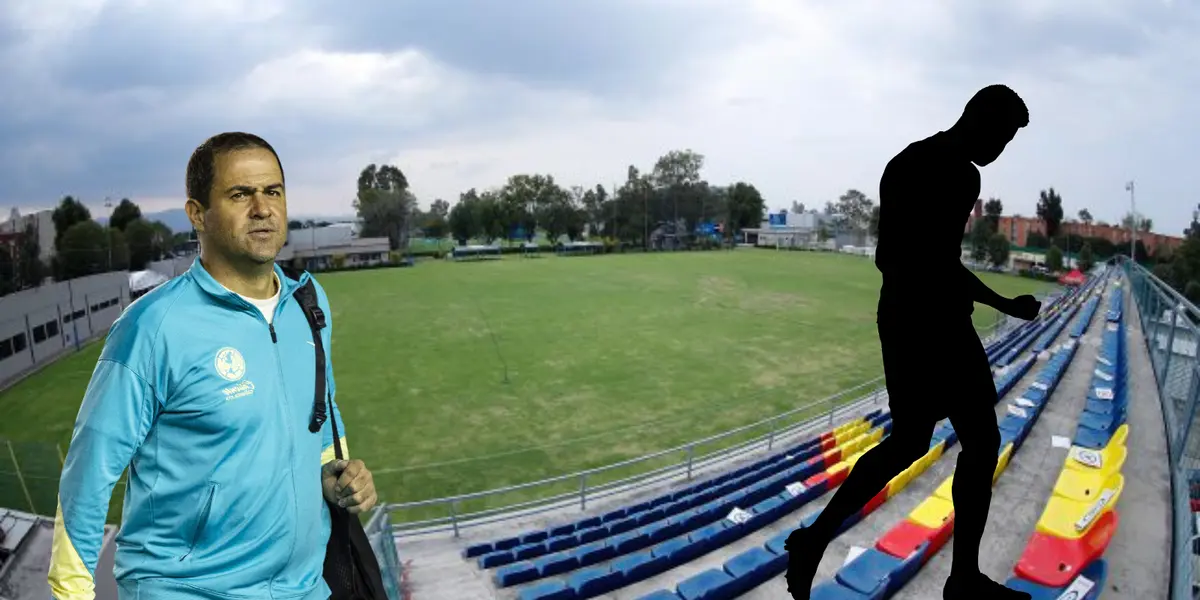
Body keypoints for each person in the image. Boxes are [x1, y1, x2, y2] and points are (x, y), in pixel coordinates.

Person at [48, 132, 378, 599]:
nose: (262, 208)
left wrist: (335, 478)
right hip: (189, 590)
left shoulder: (309, 303)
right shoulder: (152, 327)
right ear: (197, 214)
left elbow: (318, 421)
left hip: (303, 588)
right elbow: (86, 478)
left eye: (273, 191)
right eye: (240, 194)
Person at [784, 85, 1041, 599]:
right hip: (934, 322)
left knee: (910, 441)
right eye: (1002, 136)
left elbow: (908, 259)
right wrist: (1004, 304)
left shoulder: (910, 160)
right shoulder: (960, 174)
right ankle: (962, 581)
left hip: (903, 317)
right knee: (978, 440)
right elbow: (934, 263)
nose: (1001, 149)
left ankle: (813, 541)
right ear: (979, 119)